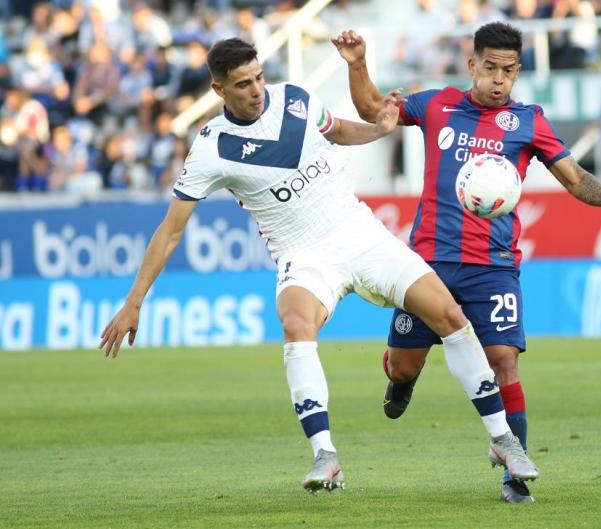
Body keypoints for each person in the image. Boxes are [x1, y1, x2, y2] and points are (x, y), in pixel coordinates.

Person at [98, 37, 539, 493]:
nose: (256, 90)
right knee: (295, 324)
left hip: (361, 235)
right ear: (218, 90)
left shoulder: (295, 99)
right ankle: (325, 456)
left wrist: (380, 130)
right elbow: (170, 230)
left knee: (450, 315)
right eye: (243, 84)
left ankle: (502, 439)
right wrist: (133, 303)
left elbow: (338, 130)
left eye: (259, 78)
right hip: (303, 255)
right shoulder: (212, 148)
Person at [332, 22, 601, 504]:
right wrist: (358, 65)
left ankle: (514, 477)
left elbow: (573, 176)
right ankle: (399, 380)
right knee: (403, 367)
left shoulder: (528, 121)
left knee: (504, 362)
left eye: (508, 71)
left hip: (493, 265)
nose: (499, 80)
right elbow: (375, 111)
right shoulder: (436, 104)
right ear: (472, 65)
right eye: (490, 68)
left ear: (517, 72)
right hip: (428, 264)